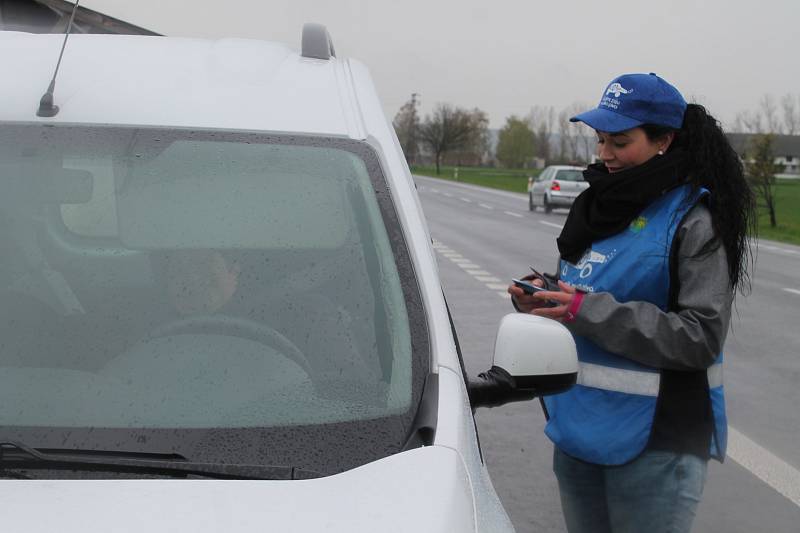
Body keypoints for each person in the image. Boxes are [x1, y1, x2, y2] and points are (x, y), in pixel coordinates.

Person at [508, 73, 755, 533]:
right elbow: (589, 288)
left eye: (620, 142)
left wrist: (584, 310)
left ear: (664, 139)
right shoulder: (601, 206)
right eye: (600, 140)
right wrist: (545, 294)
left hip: (657, 442)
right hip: (579, 430)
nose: (605, 155)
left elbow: (700, 337)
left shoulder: (694, 220)